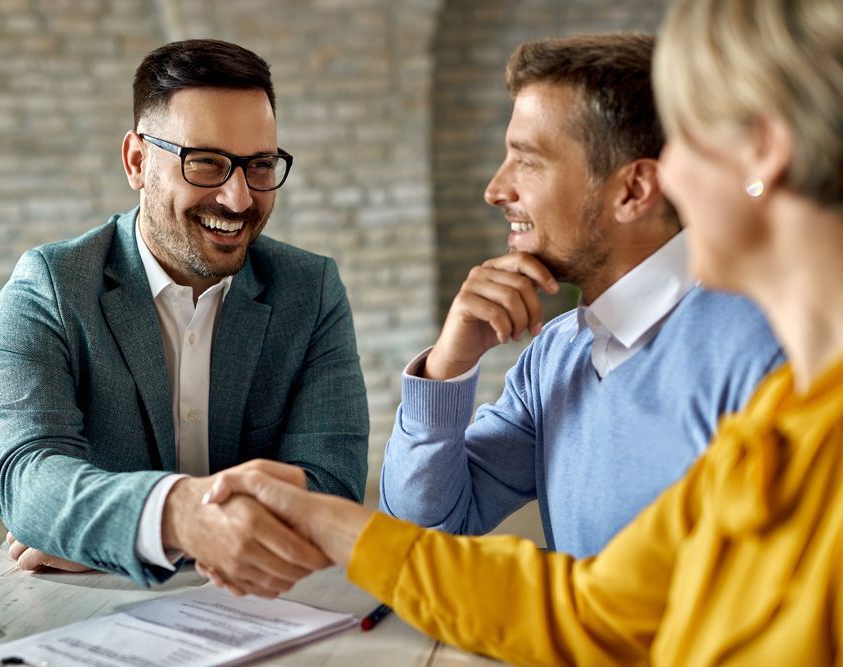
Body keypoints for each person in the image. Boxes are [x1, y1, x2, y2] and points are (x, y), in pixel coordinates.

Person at [202, 0, 843, 662]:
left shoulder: (775, 375)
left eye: (691, 139)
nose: (673, 175)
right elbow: (592, 606)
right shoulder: (760, 407)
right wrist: (334, 507)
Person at [0, 39, 368, 594]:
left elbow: (331, 491)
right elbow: (27, 479)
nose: (238, 198)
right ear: (138, 161)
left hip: (265, 612)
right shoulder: (51, 288)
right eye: (206, 162)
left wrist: (111, 531)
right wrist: (181, 518)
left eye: (259, 165)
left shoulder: (310, 290)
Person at [379, 32, 782, 557]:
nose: (496, 189)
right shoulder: (554, 355)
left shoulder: (761, 352)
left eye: (526, 161)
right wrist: (446, 368)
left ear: (633, 191)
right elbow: (422, 536)